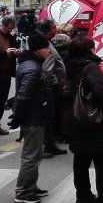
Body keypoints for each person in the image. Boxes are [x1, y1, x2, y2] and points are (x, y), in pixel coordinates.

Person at [66, 36, 103, 203]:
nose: (95, 49)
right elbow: (101, 92)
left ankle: (83, 194)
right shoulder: (90, 67)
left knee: (81, 158)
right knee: (102, 158)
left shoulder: (71, 64)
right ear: (87, 50)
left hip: (77, 117)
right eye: (93, 47)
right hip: (95, 119)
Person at [10, 32, 54, 203]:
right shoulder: (32, 68)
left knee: (34, 155)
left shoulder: (32, 64)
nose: (49, 52)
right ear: (37, 50)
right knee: (31, 155)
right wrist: (17, 117)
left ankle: (31, 186)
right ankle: (23, 191)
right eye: (45, 49)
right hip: (33, 118)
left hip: (36, 116)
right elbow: (24, 96)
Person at [35, 19, 67, 157]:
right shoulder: (43, 43)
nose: (57, 30)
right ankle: (44, 145)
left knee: (51, 116)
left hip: (51, 86)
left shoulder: (47, 41)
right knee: (46, 116)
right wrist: (55, 83)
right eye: (54, 27)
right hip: (49, 87)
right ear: (48, 30)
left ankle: (50, 144)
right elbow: (47, 69)